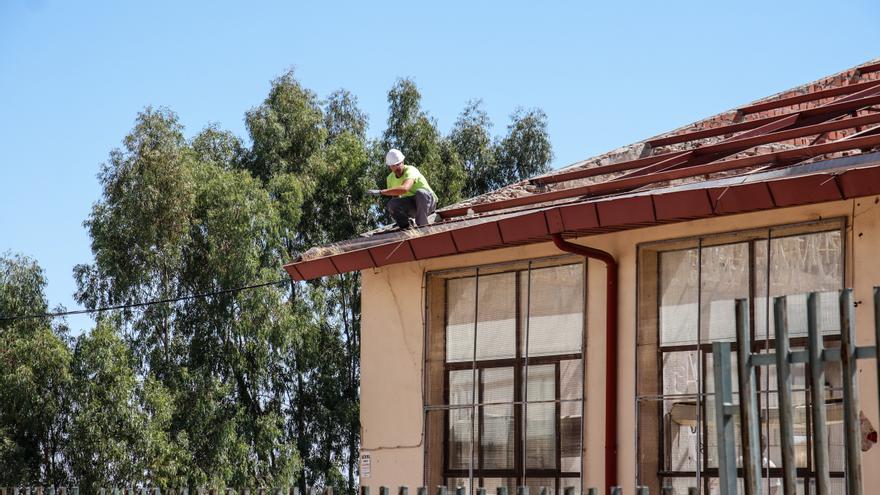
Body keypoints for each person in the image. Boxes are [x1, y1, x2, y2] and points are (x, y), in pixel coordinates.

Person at [368, 149, 438, 229]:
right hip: (413, 206)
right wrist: (399, 217)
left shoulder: (411, 170)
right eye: (394, 165)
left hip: (427, 203)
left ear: (403, 162)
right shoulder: (390, 178)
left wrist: (381, 192)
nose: (397, 167)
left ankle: (423, 225)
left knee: (420, 193)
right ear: (390, 166)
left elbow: (405, 188)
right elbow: (396, 199)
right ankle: (406, 226)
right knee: (392, 203)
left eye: (398, 164)